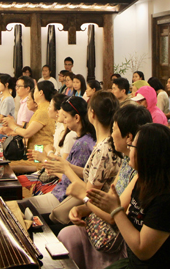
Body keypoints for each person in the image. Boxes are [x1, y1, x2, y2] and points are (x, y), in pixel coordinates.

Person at [85, 124, 170, 269]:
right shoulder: (143, 181)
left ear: (148, 154)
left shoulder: (168, 197)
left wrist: (115, 210)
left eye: (133, 146)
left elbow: (143, 250)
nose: (129, 148)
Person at [59, 103, 153, 269]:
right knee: (66, 235)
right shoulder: (126, 160)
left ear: (129, 137)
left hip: (117, 239)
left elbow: (113, 215)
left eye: (114, 129)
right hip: (103, 226)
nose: (111, 134)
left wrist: (84, 197)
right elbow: (108, 199)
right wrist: (82, 209)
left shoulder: (139, 173)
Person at [44, 91, 123, 224]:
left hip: (96, 212)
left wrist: (67, 169)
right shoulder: (105, 142)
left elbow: (89, 191)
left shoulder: (103, 148)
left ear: (92, 114)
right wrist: (66, 166)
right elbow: (92, 174)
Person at [25, 96, 95, 211]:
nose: (65, 120)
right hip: (60, 191)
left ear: (76, 118)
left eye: (66, 116)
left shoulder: (82, 143)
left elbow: (69, 177)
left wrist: (48, 162)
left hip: (63, 196)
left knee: (21, 205)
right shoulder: (82, 139)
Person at [2, 81, 57, 173]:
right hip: (35, 154)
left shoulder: (43, 111)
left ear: (41, 93)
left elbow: (27, 133)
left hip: (40, 157)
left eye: (35, 90)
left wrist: (12, 125)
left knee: (4, 167)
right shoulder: (42, 109)